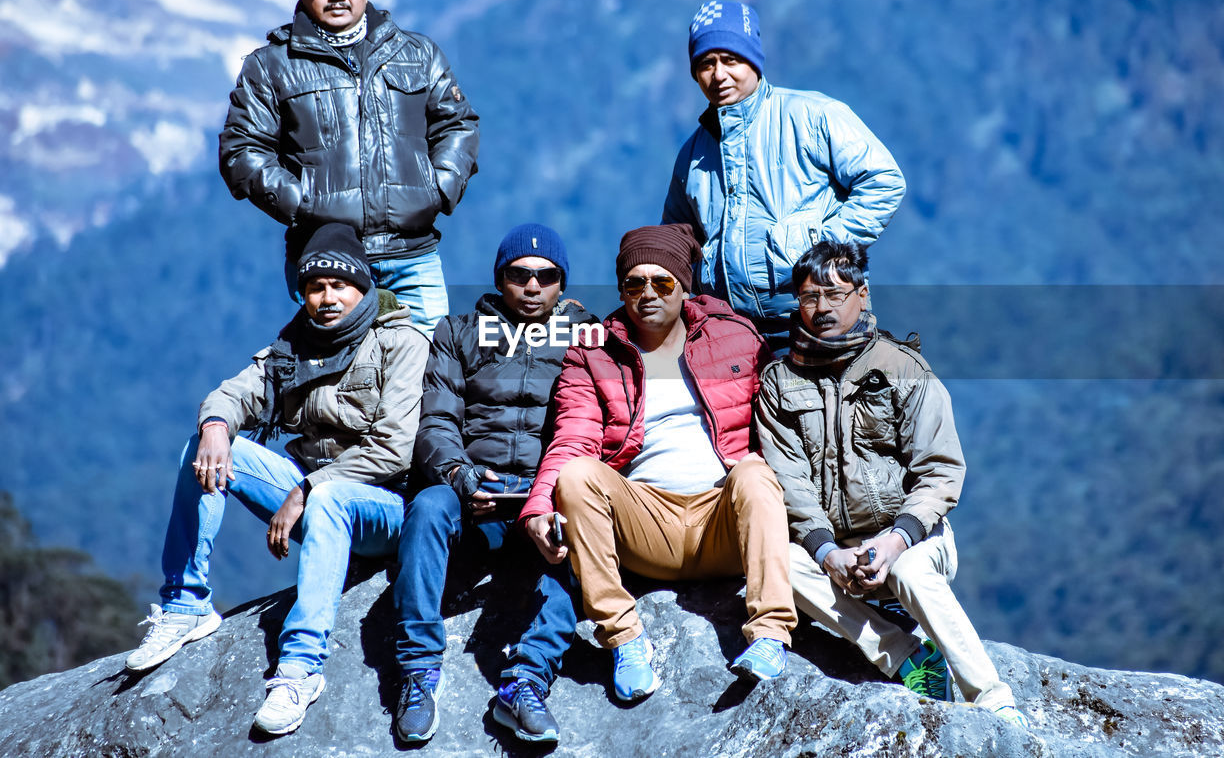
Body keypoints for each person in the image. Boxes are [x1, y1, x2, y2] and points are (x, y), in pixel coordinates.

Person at [124, 223, 429, 736]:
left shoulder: (402, 340)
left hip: (385, 508)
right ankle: (186, 605)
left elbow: (394, 449)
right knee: (203, 449)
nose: (327, 298)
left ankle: (299, 669)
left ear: (364, 285)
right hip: (308, 493)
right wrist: (216, 426)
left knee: (331, 496)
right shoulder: (294, 344)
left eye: (339, 285)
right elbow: (233, 393)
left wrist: (307, 489)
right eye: (315, 287)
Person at [753, 240, 1030, 729]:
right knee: (779, 564)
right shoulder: (780, 382)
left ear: (863, 294)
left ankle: (992, 699)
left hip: (912, 536)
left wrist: (896, 538)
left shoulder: (903, 368)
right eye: (809, 297)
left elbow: (941, 470)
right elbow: (788, 479)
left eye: (834, 295)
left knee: (912, 574)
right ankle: (907, 657)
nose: (820, 309)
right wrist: (824, 550)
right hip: (835, 548)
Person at [520, 223, 797, 702]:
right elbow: (573, 436)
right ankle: (625, 639)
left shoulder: (736, 338)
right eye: (634, 282)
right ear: (621, 288)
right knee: (578, 474)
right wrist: (539, 505)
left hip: (721, 520)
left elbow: (779, 433)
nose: (648, 293)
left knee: (754, 470)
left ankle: (770, 634)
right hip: (645, 524)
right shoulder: (594, 350)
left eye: (662, 281)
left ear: (684, 285)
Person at [392, 224, 595, 744]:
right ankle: (417, 671)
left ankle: (525, 681)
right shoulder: (457, 332)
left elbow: (599, 426)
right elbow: (435, 423)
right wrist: (460, 478)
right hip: (471, 499)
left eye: (546, 276)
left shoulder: (587, 337)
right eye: (519, 275)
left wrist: (547, 493)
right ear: (499, 279)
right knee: (428, 505)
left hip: (543, 500)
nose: (532, 286)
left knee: (587, 519)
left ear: (562, 284)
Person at [219, 0, 479, 334]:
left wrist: (438, 188)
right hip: (325, 262)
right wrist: (302, 203)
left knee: (425, 377)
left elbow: (457, 125)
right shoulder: (271, 65)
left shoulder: (418, 53)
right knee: (336, 386)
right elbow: (242, 151)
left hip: (414, 255)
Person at [662, 0, 905, 352]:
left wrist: (826, 251)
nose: (718, 75)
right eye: (705, 64)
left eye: (730, 59)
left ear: (753, 60)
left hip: (821, 321)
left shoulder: (813, 115)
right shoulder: (692, 155)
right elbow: (676, 240)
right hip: (732, 336)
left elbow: (883, 180)